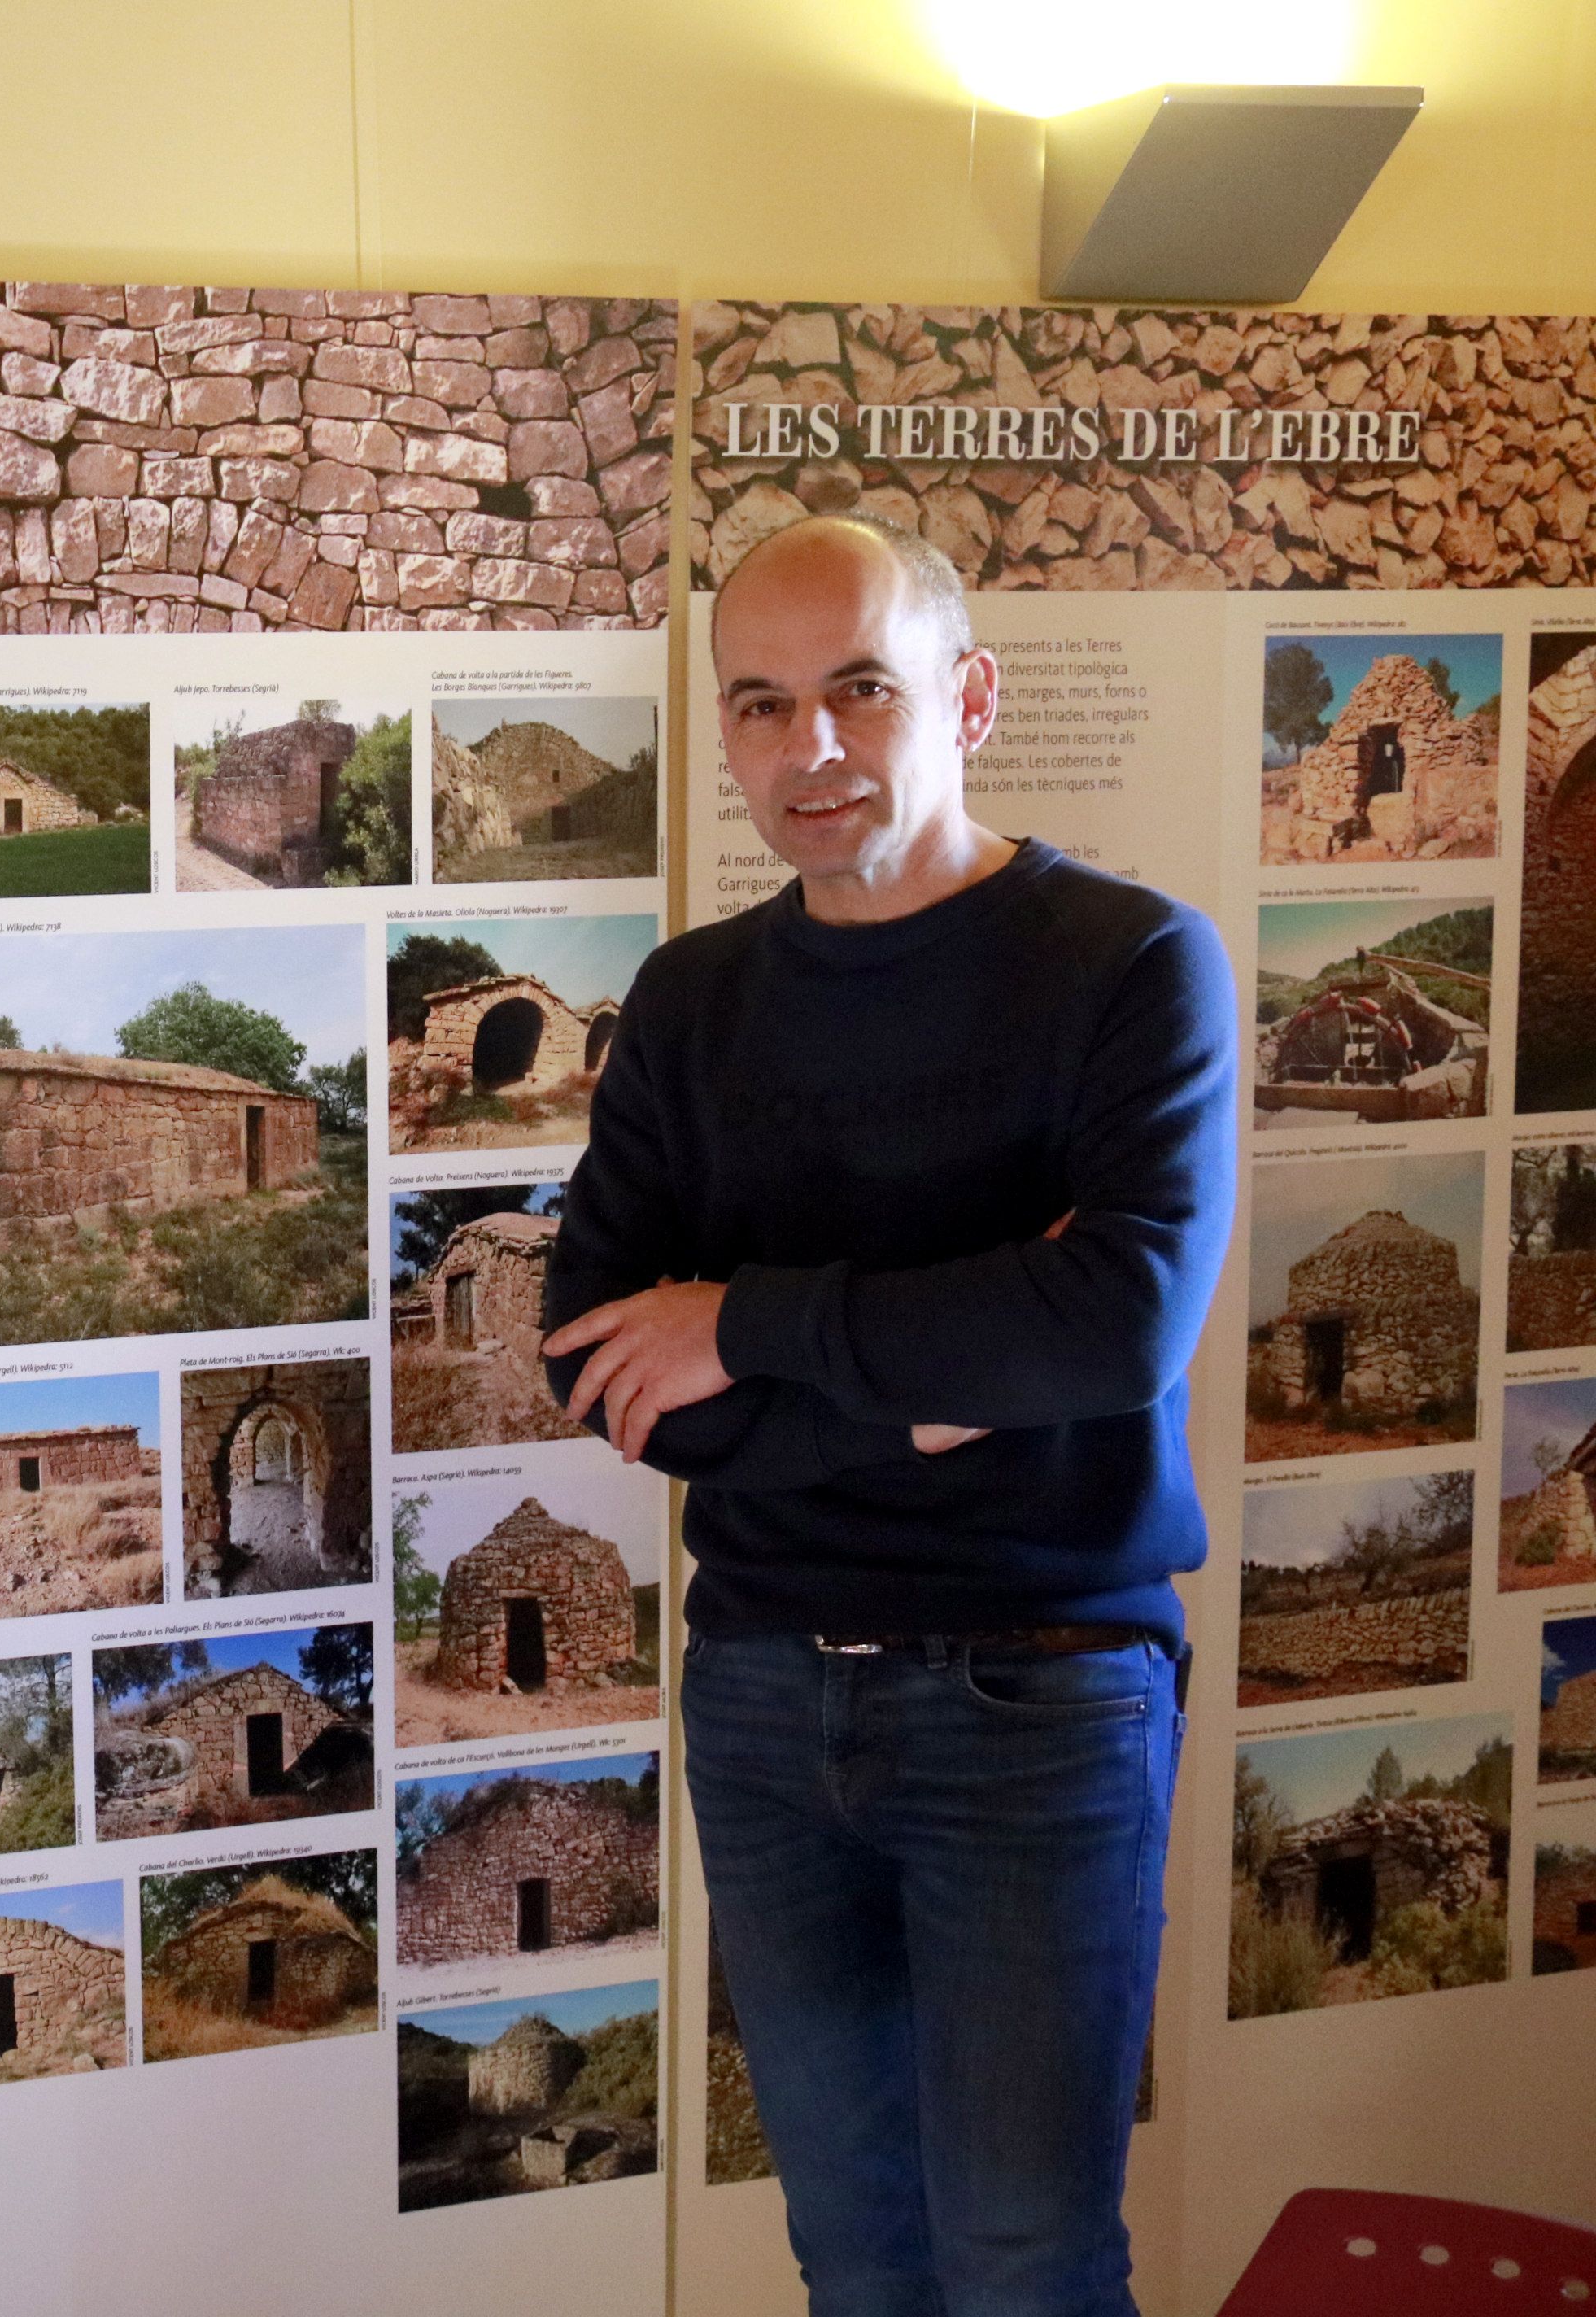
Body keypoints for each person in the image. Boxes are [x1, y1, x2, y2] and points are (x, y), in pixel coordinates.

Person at [540, 512, 1231, 2317]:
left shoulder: (1134, 964)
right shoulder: (695, 1001)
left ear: (968, 696)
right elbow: (593, 1364)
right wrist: (916, 1394)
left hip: (1042, 1686)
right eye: (764, 705)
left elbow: (1113, 1322)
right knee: (855, 2256)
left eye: (859, 688)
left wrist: (744, 1323)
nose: (813, 748)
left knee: (1023, 2258)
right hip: (769, 1689)